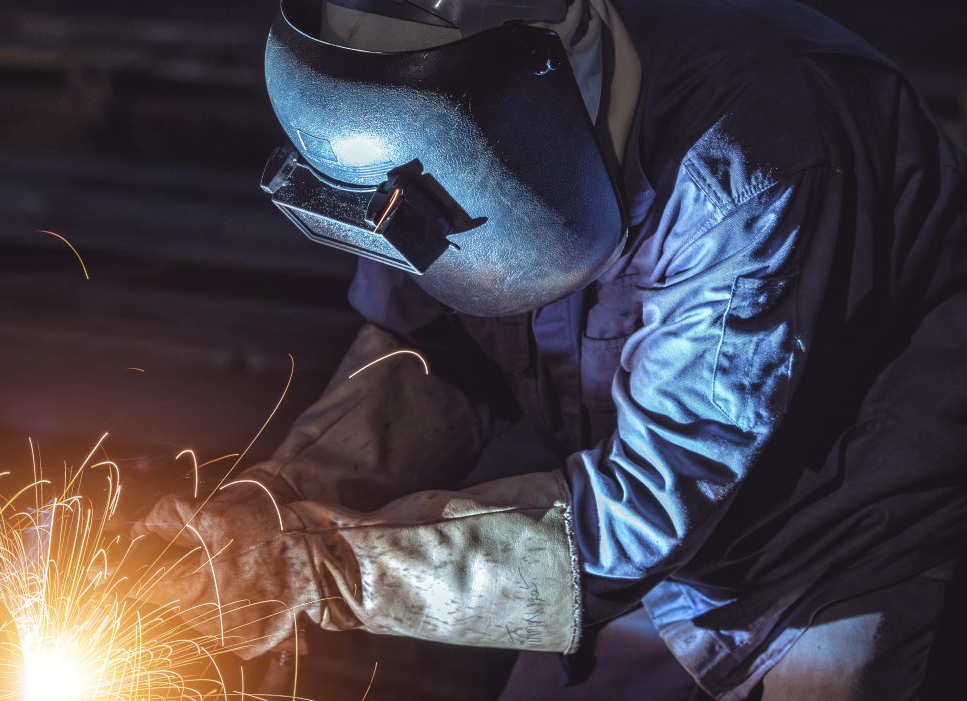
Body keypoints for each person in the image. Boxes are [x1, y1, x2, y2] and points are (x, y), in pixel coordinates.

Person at [135, 1, 967, 698]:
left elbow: (640, 512)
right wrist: (273, 508)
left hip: (840, 554)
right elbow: (431, 354)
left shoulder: (749, 167)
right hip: (635, 546)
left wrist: (319, 571)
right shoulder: (415, 120)